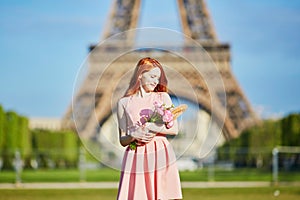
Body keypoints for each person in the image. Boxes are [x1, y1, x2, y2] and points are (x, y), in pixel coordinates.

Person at [117, 57, 182, 200]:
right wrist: (134, 135)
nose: (156, 81)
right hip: (136, 155)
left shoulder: (163, 97)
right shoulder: (123, 103)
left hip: (160, 153)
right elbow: (122, 140)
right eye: (152, 76)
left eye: (158, 78)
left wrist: (150, 127)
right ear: (140, 74)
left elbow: (174, 129)